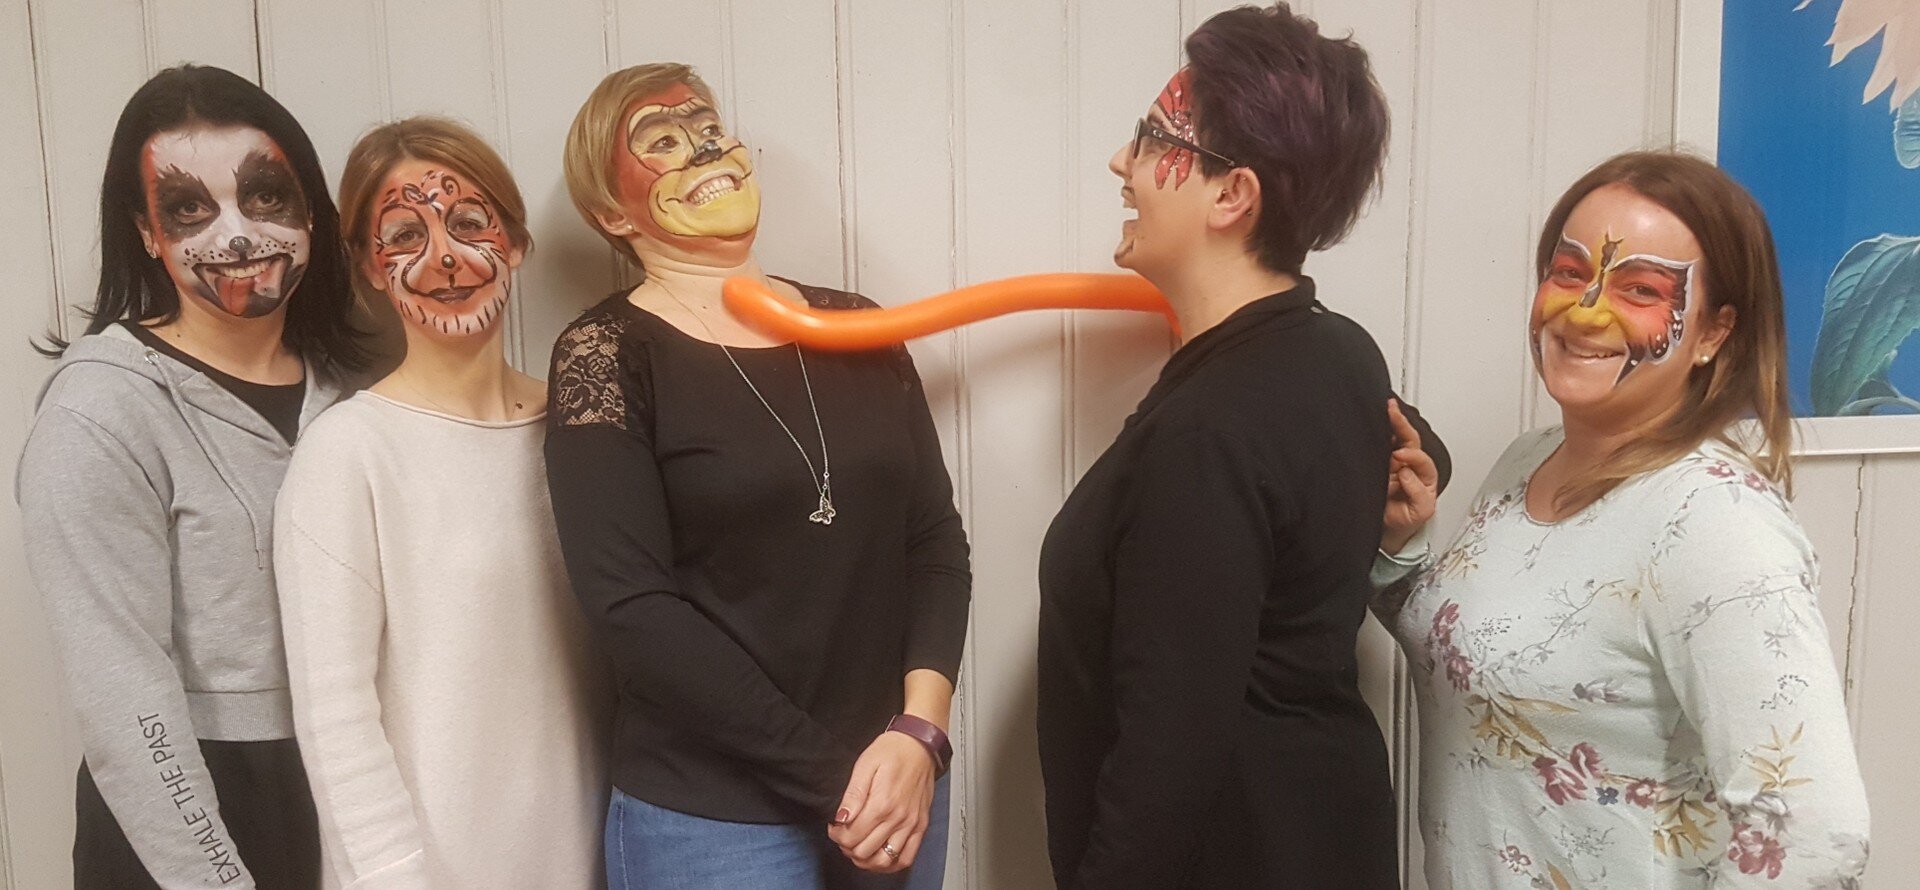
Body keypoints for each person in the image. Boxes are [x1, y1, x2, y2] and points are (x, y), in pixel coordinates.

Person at [1035, 5, 1450, 888]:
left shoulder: (1207, 430)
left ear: (1232, 196)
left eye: (1152, 138)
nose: (1120, 162)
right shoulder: (1339, 350)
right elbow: (1421, 449)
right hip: (1324, 836)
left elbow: (1166, 758)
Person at [1375, 151, 1871, 888]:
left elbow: (1816, 835)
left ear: (1714, 331)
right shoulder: (1528, 460)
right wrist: (1402, 548)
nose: (1585, 311)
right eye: (1569, 272)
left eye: (1640, 289)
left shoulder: (1714, 520)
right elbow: (1481, 658)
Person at [545, 62, 970, 889]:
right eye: (664, 142)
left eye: (708, 129)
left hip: (899, 789)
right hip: (714, 821)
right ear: (610, 213)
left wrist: (921, 735)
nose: (705, 151)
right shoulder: (604, 354)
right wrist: (838, 783)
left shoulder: (858, 323)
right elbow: (632, 609)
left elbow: (934, 542)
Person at [17, 64, 368, 889]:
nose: (237, 236)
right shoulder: (100, 410)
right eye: (188, 208)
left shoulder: (354, 392)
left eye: (266, 196)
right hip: (189, 812)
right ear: (146, 231)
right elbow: (124, 701)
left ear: (310, 210)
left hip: (341, 788)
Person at [272, 117, 610, 889]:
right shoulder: (347, 454)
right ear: (369, 266)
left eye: (468, 223)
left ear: (514, 242)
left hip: (603, 857)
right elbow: (334, 718)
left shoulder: (588, 431)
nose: (445, 258)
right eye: (404, 236)